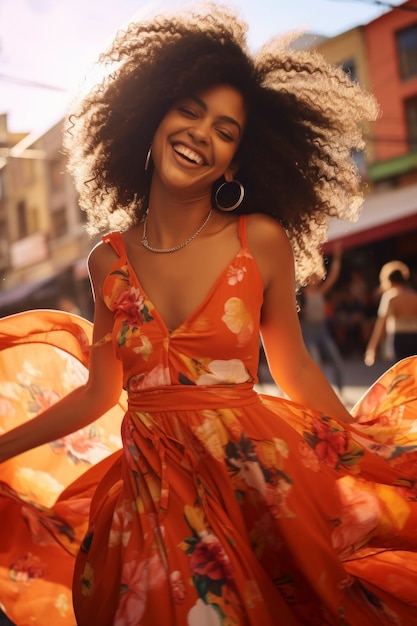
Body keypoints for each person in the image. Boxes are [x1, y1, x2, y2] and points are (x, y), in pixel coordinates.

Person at [0, 4, 417, 625]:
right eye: (189, 110)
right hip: (148, 499)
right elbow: (98, 396)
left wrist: (362, 451)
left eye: (226, 130)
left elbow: (295, 368)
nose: (202, 133)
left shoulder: (261, 240)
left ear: (237, 161)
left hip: (254, 486)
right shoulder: (104, 260)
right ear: (150, 115)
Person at [298, 244, 345, 392]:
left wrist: (337, 258)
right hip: (308, 333)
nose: (315, 278)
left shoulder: (321, 292)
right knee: (316, 364)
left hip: (322, 331)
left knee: (337, 360)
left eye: (316, 275)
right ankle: (317, 392)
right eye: (312, 276)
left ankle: (340, 390)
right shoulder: (301, 296)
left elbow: (333, 276)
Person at [364, 260, 417, 366]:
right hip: (415, 336)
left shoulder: (390, 296)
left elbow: (381, 324)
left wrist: (372, 348)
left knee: (401, 372)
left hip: (399, 338)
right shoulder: (413, 295)